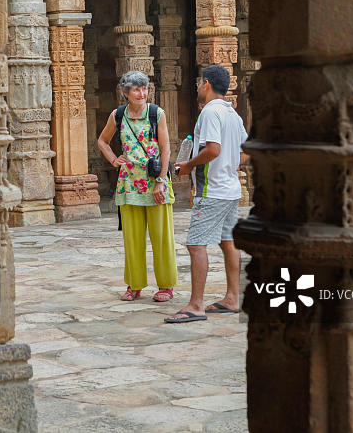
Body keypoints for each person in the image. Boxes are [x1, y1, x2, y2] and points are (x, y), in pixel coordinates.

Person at [166, 65, 248, 323]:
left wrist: (188, 166)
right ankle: (233, 298)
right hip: (230, 188)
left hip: (211, 190)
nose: (197, 86)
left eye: (199, 81)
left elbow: (212, 149)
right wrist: (231, 163)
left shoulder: (210, 112)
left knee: (195, 243)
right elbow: (247, 148)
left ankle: (196, 304)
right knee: (227, 241)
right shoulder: (231, 113)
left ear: (207, 84)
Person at [97, 70, 177, 302]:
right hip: (129, 184)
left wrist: (161, 181)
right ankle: (135, 285)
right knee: (132, 239)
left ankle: (166, 285)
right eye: (136, 89)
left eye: (144, 89)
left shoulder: (156, 113)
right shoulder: (117, 115)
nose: (142, 93)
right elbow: (102, 141)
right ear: (126, 92)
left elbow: (165, 149)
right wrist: (114, 159)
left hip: (155, 182)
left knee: (162, 237)